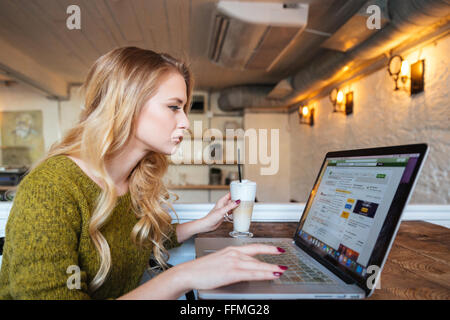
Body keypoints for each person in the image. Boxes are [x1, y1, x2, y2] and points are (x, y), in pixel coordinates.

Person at [0, 47, 287, 300]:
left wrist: (203, 223)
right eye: (174, 107)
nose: (185, 122)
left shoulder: (133, 179)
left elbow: (141, 240)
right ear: (126, 105)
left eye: (184, 108)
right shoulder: (51, 188)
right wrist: (182, 277)